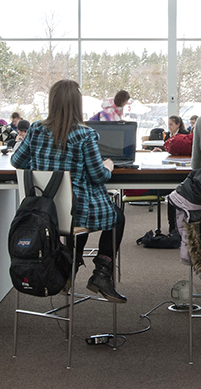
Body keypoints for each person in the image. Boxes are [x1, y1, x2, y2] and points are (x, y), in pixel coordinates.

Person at [11, 79, 127, 303]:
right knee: (117, 216)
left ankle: (69, 270)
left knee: (77, 214)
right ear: (78, 104)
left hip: (44, 214)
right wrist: (108, 166)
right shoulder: (85, 135)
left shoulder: (35, 129)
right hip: (75, 212)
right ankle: (102, 273)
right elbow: (98, 176)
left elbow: (17, 161)